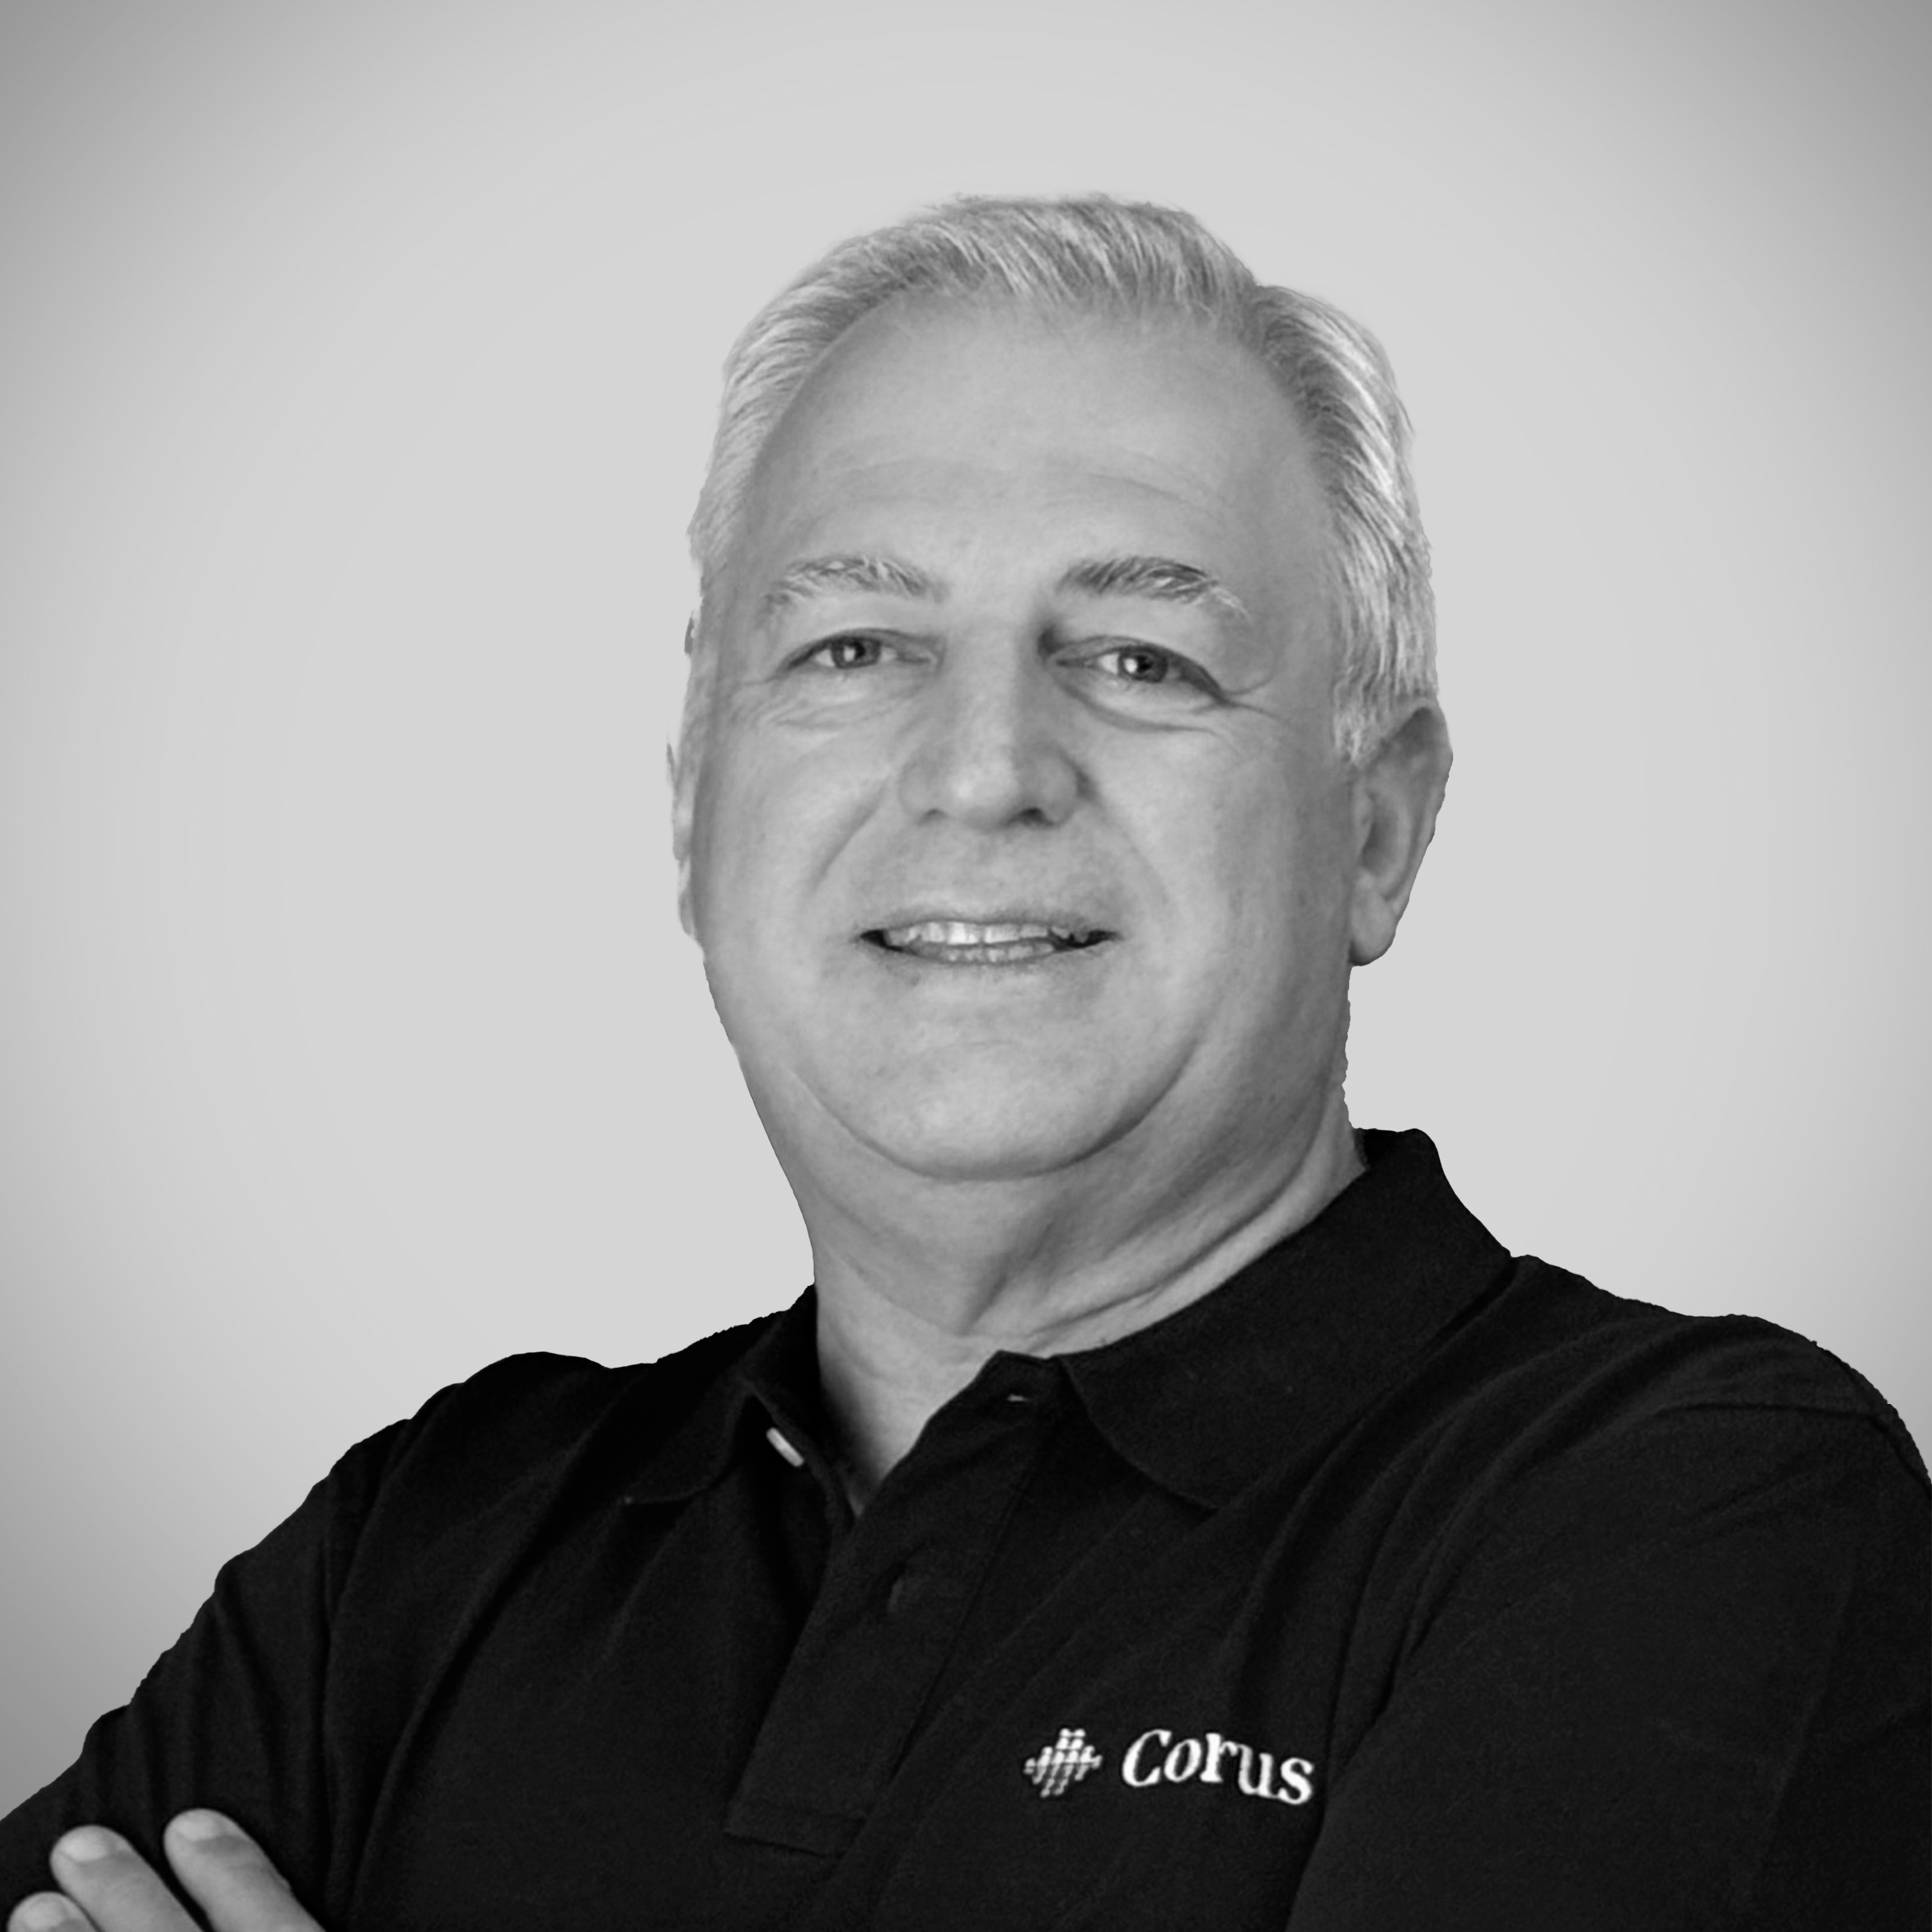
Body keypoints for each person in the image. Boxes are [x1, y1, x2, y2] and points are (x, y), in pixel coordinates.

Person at [2, 196, 1925, 1932]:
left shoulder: (1682, 1508)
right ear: (695, 813)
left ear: (1379, 832)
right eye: (854, 646)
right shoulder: (427, 1547)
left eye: (1142, 658)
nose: (984, 766)